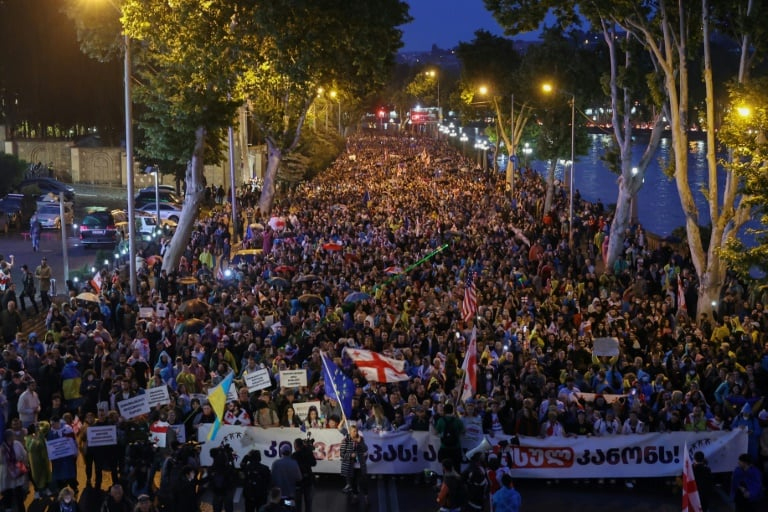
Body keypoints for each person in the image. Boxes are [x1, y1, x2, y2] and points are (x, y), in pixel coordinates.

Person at [0, 428, 29, 512]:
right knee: (7, 494)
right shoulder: (2, 447)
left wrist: (24, 463)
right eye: (13, 435)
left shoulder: (17, 444)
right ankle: (8, 509)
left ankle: (21, 509)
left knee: (19, 495)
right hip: (6, 475)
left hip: (17, 473)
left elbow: (24, 454)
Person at [340, 424, 368, 497]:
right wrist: (350, 455)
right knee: (353, 482)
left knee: (363, 482)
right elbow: (342, 454)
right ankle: (355, 496)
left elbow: (365, 449)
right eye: (354, 431)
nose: (355, 433)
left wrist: (360, 442)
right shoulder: (345, 441)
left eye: (356, 431)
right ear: (349, 432)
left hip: (360, 465)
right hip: (351, 466)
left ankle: (366, 497)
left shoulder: (360, 439)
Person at [435, 403, 464, 471]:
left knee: (445, 468)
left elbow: (436, 432)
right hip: (456, 447)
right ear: (452, 410)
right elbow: (463, 431)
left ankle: (446, 481)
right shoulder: (457, 420)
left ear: (444, 411)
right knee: (457, 468)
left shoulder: (441, 420)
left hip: (444, 447)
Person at [292, 437, 317, 512]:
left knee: (298, 503)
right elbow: (314, 463)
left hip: (298, 481)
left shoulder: (294, 455)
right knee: (308, 503)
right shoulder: (308, 452)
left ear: (296, 445)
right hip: (308, 479)